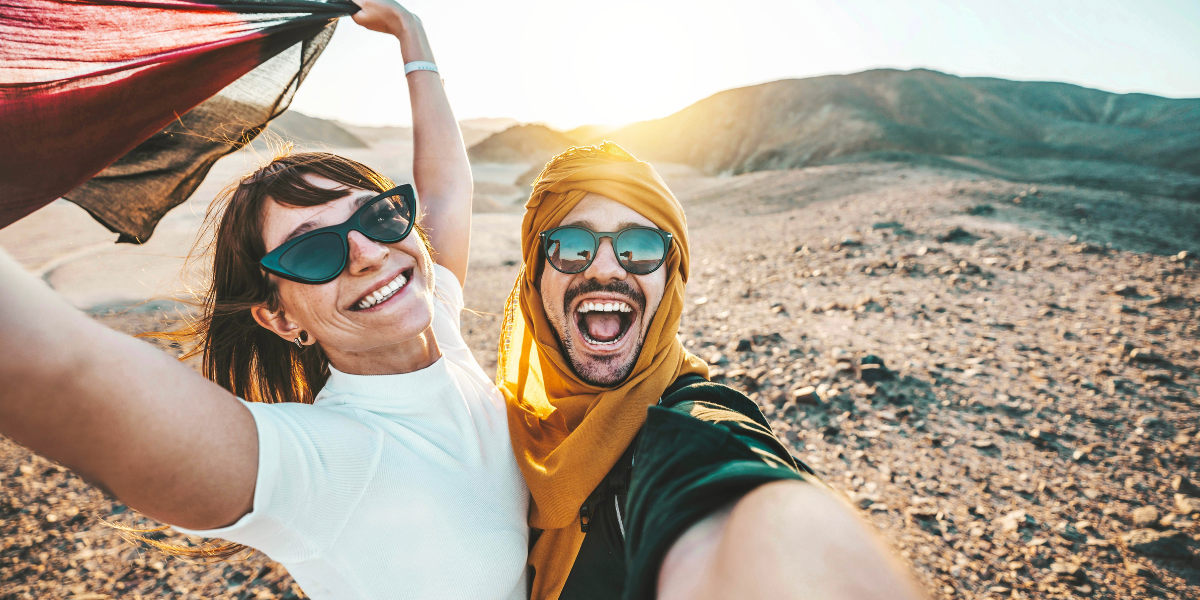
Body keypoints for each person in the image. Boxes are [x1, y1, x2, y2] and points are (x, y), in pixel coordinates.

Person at [0, 1, 530, 598]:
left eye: (377, 215)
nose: (369, 253)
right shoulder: (322, 464)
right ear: (279, 316)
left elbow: (447, 188)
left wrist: (412, 34)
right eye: (311, 252)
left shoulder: (440, 326)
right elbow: (60, 371)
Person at [497, 142, 927, 600]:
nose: (604, 268)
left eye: (640, 247)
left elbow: (747, 508)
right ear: (535, 276)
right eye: (572, 245)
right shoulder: (507, 433)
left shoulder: (690, 426)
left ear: (671, 277)